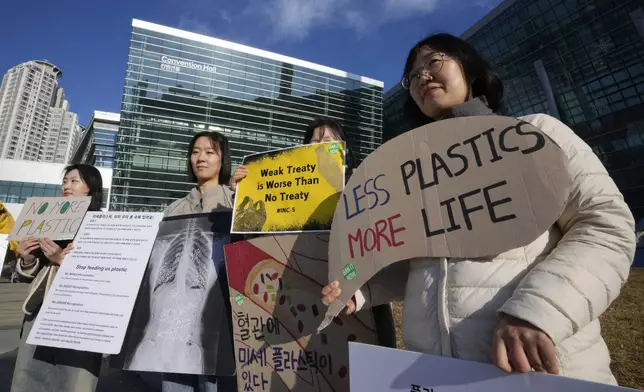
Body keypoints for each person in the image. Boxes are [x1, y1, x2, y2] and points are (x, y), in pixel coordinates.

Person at [321, 33, 636, 385]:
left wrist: (535, 314)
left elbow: (605, 227)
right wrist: (362, 291)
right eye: (412, 77)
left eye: (433, 62)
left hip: (540, 369)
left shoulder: (536, 134)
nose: (422, 77)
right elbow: (416, 261)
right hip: (434, 374)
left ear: (468, 68)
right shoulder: (413, 176)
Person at [232, 118, 398, 348]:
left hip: (358, 300)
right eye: (314, 141)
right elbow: (259, 240)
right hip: (306, 300)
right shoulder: (288, 188)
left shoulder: (364, 185)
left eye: (328, 141)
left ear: (344, 149)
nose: (320, 145)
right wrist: (245, 191)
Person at [11, 164, 105, 392]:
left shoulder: (102, 224)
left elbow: (102, 274)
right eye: (65, 181)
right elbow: (27, 274)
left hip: (79, 316)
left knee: (74, 381)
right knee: (30, 377)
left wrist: (61, 260)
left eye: (74, 181)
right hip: (39, 312)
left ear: (90, 189)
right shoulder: (46, 218)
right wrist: (26, 258)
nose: (67, 186)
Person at [160, 131, 237, 392]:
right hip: (174, 320)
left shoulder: (235, 203)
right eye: (195, 151)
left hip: (221, 317)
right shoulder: (173, 209)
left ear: (223, 159)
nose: (200, 158)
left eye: (209, 151)